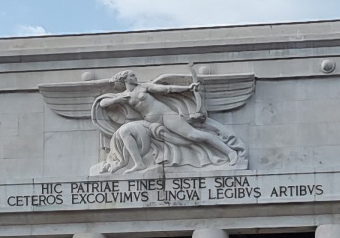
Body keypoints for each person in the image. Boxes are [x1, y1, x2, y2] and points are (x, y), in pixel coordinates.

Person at [91, 71, 244, 173]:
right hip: (149, 122)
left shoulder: (143, 87)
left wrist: (187, 88)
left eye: (134, 75)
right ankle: (137, 163)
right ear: (125, 79)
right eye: (132, 76)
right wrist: (117, 100)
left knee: (194, 135)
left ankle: (230, 152)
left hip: (166, 116)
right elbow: (103, 104)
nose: (135, 77)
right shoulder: (124, 95)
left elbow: (166, 89)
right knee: (125, 131)